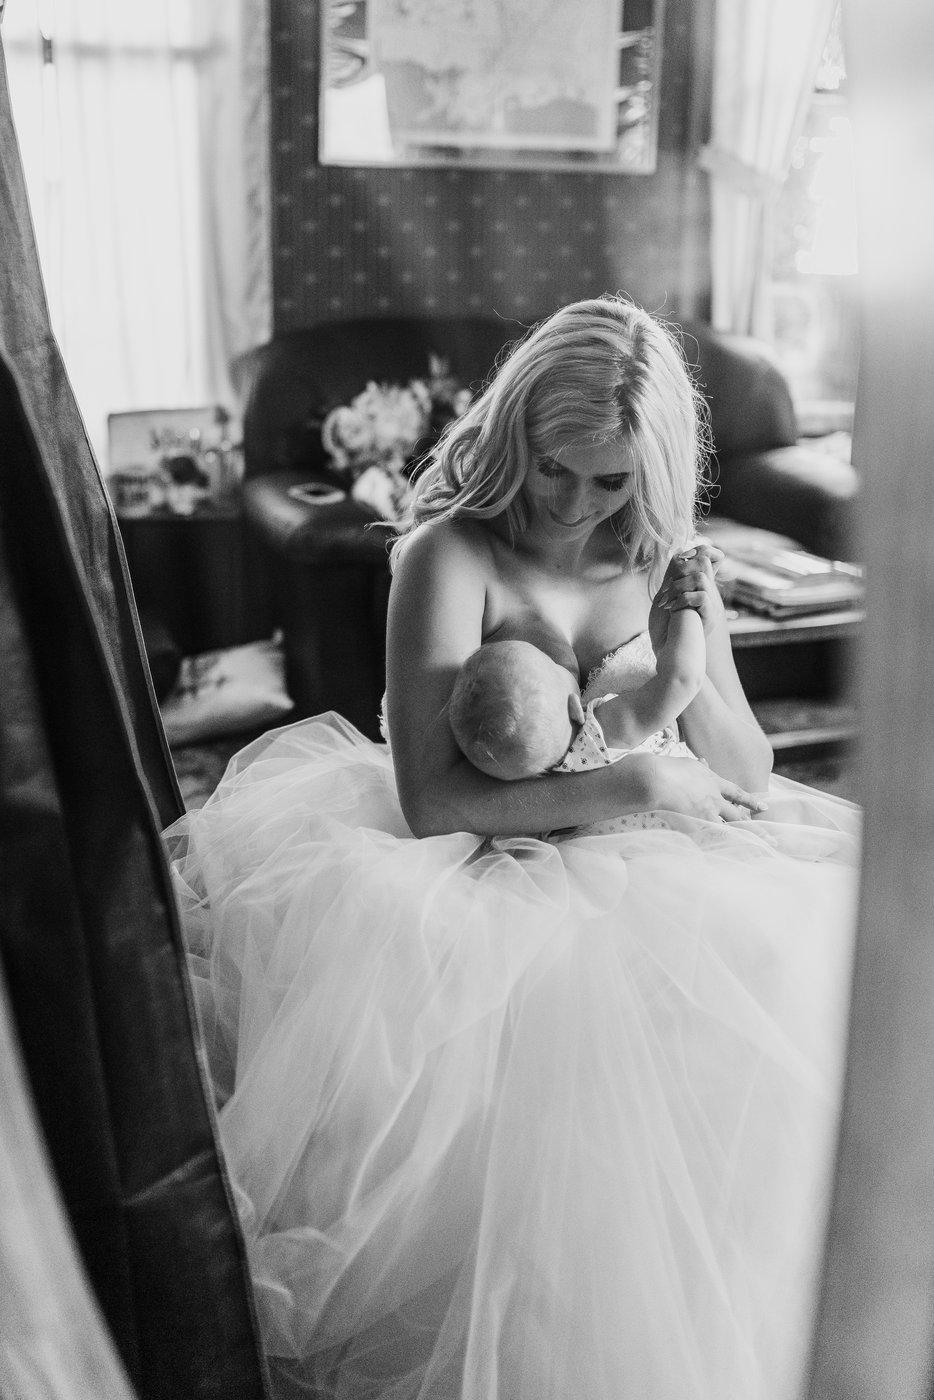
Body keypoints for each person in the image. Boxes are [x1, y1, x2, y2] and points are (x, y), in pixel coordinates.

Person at [166, 295, 859, 1400]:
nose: (576, 506)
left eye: (612, 481)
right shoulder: (448, 556)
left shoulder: (663, 553)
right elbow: (435, 799)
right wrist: (632, 771)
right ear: (512, 439)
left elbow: (746, 768)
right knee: (562, 1029)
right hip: (482, 858)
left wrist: (686, 673)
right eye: (553, 470)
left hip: (668, 839)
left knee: (789, 974)